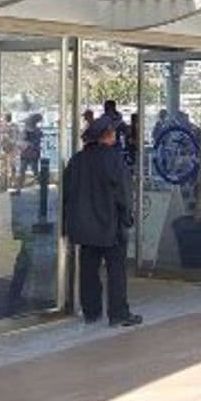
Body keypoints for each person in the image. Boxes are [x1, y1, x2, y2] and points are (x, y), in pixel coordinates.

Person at [63, 119, 142, 327]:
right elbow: (123, 194)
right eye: (114, 133)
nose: (116, 136)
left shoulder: (77, 160)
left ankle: (91, 311)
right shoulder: (115, 160)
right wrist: (127, 217)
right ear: (107, 135)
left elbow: (68, 193)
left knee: (88, 270)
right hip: (110, 224)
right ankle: (118, 313)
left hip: (84, 227)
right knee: (116, 271)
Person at [15, 113, 44, 193]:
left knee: (23, 171)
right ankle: (42, 188)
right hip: (33, 153)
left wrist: (25, 144)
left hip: (27, 153)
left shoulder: (28, 131)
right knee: (34, 171)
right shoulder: (37, 131)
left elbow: (23, 141)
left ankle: (19, 189)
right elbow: (38, 142)